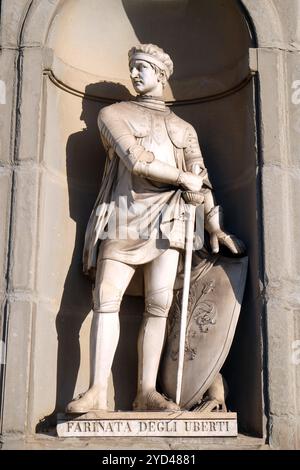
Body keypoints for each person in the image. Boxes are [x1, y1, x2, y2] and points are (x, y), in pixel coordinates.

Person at [66, 44, 244, 413]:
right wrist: (183, 178)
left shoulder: (183, 128)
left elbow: (201, 175)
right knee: (106, 298)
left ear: (162, 75)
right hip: (124, 215)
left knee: (159, 305)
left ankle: (146, 392)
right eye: (132, 67)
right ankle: (97, 389)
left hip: (171, 221)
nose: (134, 74)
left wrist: (212, 222)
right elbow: (135, 159)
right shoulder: (113, 114)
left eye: (142, 68)